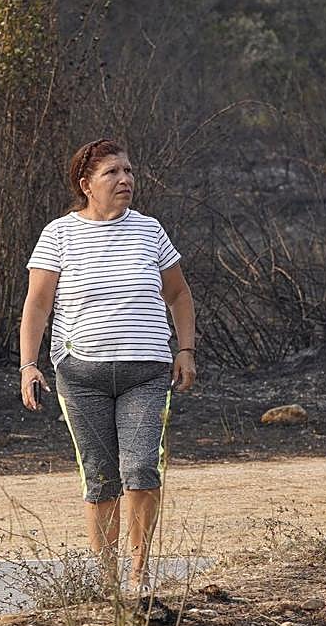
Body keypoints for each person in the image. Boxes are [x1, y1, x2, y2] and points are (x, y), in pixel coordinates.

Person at [18, 138, 197, 594]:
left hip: (147, 373)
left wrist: (186, 350)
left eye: (129, 171)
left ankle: (139, 577)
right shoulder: (58, 234)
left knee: (141, 470)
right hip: (81, 376)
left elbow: (178, 294)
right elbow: (38, 305)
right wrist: (28, 365)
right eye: (112, 173)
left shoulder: (150, 230)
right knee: (99, 475)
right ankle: (107, 582)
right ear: (86, 184)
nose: (125, 180)